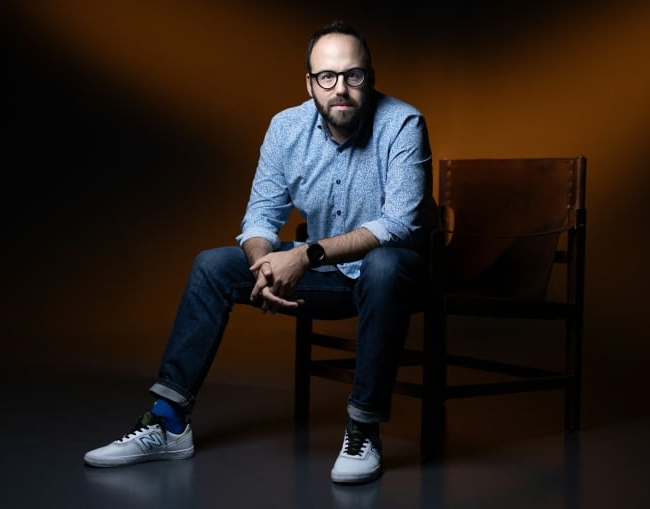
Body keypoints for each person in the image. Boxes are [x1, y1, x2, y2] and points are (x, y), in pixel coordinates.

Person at [84, 19, 436, 485]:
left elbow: (398, 225)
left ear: (369, 76)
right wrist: (264, 266)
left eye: (353, 75)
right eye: (327, 77)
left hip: (395, 280)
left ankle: (363, 428)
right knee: (212, 266)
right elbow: (260, 218)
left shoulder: (403, 123)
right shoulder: (285, 128)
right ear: (309, 82)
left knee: (385, 264)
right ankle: (168, 423)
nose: (341, 88)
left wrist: (303, 256)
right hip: (329, 277)